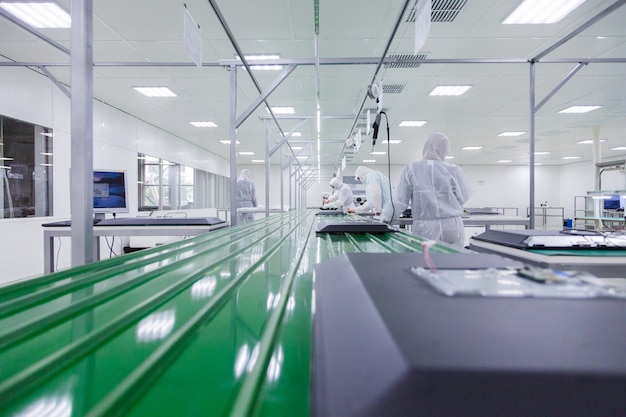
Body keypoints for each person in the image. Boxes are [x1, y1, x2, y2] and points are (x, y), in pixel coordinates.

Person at [381, 132, 473, 247]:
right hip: (453, 225)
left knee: (426, 262)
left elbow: (399, 201)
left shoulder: (411, 169)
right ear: (445, 150)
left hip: (426, 228)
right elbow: (463, 197)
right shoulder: (454, 170)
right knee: (453, 262)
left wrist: (386, 218)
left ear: (425, 147)